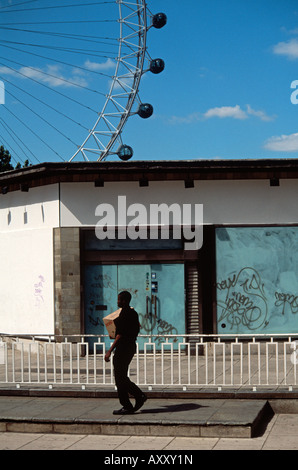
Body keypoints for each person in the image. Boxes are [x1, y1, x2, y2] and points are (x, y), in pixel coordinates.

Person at [104, 291, 147, 415]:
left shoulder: (123, 314)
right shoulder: (133, 313)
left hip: (123, 348)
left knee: (119, 378)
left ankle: (132, 401)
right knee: (121, 377)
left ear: (124, 301)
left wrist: (109, 351)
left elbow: (119, 335)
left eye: (119, 300)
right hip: (131, 347)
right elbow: (137, 327)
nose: (117, 302)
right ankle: (137, 397)